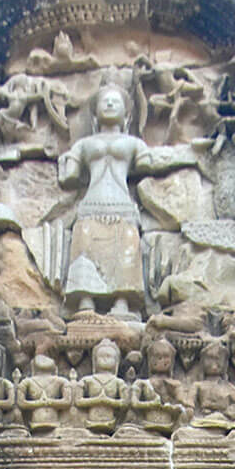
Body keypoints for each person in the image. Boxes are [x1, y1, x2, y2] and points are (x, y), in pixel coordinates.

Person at [58, 83, 201, 316]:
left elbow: (148, 165)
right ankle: (85, 301)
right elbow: (69, 177)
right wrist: (66, 161)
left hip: (122, 203)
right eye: (105, 101)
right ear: (94, 113)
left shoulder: (134, 144)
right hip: (91, 204)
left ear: (127, 113)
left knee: (126, 244)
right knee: (85, 243)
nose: (110, 104)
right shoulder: (83, 145)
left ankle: (122, 301)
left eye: (115, 101)